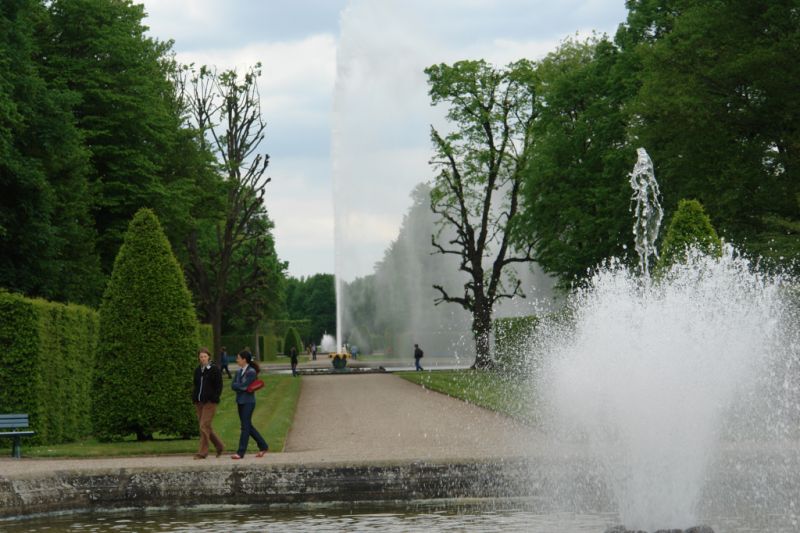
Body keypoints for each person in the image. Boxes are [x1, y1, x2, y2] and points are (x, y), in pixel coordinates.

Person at [230, 350, 269, 459]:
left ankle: (240, 452)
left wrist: (239, 386)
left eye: (238, 358)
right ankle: (263, 446)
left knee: (245, 427)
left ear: (244, 359)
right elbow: (233, 386)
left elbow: (244, 386)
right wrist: (240, 386)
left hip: (248, 402)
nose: (236, 360)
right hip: (240, 401)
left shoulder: (251, 372)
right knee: (247, 426)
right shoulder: (238, 371)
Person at [192, 347, 224, 459]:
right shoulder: (197, 370)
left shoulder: (214, 370)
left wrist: (214, 397)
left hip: (210, 402)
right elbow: (196, 385)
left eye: (205, 356)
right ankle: (219, 446)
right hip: (199, 402)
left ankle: (202, 452)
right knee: (206, 427)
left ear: (209, 357)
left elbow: (219, 386)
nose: (203, 358)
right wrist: (194, 398)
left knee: (203, 425)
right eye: (201, 357)